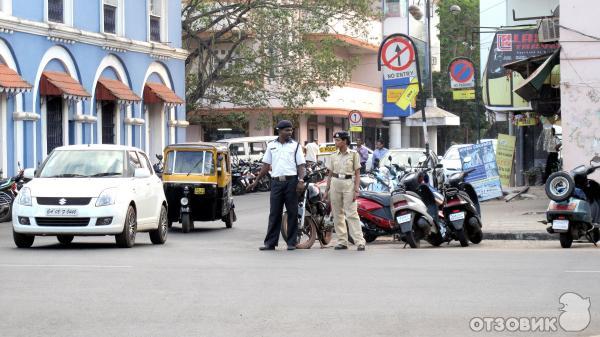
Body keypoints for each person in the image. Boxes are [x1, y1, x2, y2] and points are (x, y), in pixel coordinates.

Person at [248, 120, 306, 251]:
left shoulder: (295, 146)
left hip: (291, 182)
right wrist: (256, 181)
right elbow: (265, 166)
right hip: (276, 183)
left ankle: (292, 242)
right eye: (287, 130)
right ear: (279, 131)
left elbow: (301, 165)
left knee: (292, 212)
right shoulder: (271, 146)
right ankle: (270, 243)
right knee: (274, 213)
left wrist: (301, 180)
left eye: (291, 130)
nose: (290, 132)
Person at [325, 131, 366, 251]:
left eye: (338, 140)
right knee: (337, 214)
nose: (336, 142)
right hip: (335, 183)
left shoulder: (353, 155)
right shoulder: (333, 156)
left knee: (352, 214)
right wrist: (326, 190)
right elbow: (330, 174)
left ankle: (359, 241)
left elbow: (358, 173)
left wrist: (356, 189)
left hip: (349, 184)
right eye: (335, 140)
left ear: (344, 141)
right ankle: (342, 241)